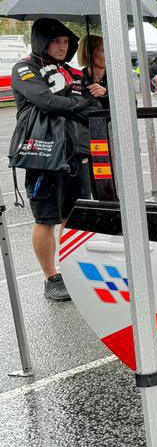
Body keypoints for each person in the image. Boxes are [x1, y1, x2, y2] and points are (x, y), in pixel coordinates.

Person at [11, 19, 100, 301]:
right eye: (56, 41)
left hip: (75, 154)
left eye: (66, 42)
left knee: (72, 217)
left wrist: (95, 94)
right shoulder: (25, 67)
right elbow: (45, 101)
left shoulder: (73, 72)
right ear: (42, 41)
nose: (62, 47)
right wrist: (80, 103)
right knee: (46, 218)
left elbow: (93, 107)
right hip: (43, 154)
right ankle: (51, 277)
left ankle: (73, 270)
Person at [79, 33, 110, 110]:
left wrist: (106, 95)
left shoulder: (118, 78)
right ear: (89, 53)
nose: (109, 54)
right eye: (103, 50)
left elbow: (132, 104)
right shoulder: (77, 79)